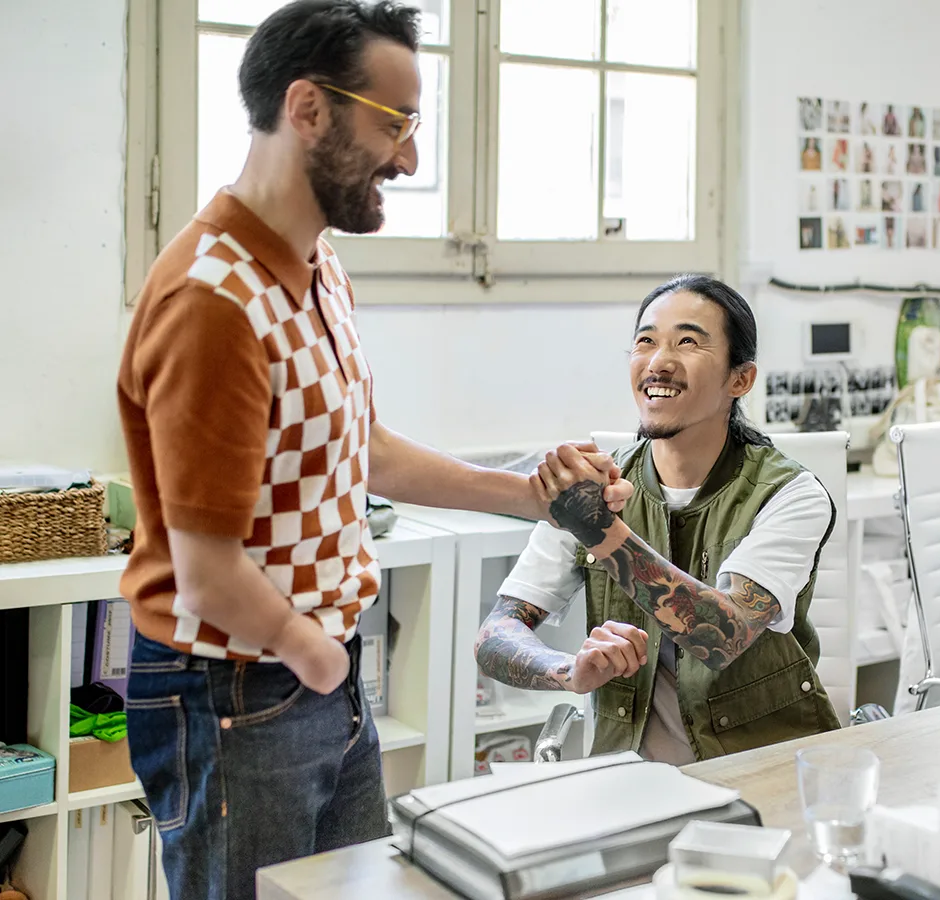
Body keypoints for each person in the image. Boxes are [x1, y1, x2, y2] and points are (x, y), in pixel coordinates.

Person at [115, 3, 631, 897]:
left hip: (318, 675)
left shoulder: (315, 264)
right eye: (393, 124)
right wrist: (306, 646)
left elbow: (364, 450)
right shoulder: (214, 302)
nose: (411, 158)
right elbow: (204, 570)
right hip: (239, 687)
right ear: (308, 108)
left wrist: (531, 497)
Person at [474, 276, 842, 765]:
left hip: (762, 768)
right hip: (630, 779)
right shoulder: (601, 484)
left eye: (687, 342)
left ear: (741, 379)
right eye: (646, 341)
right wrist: (569, 670)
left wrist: (599, 529)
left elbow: (722, 634)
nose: (658, 362)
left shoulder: (791, 494)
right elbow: (496, 634)